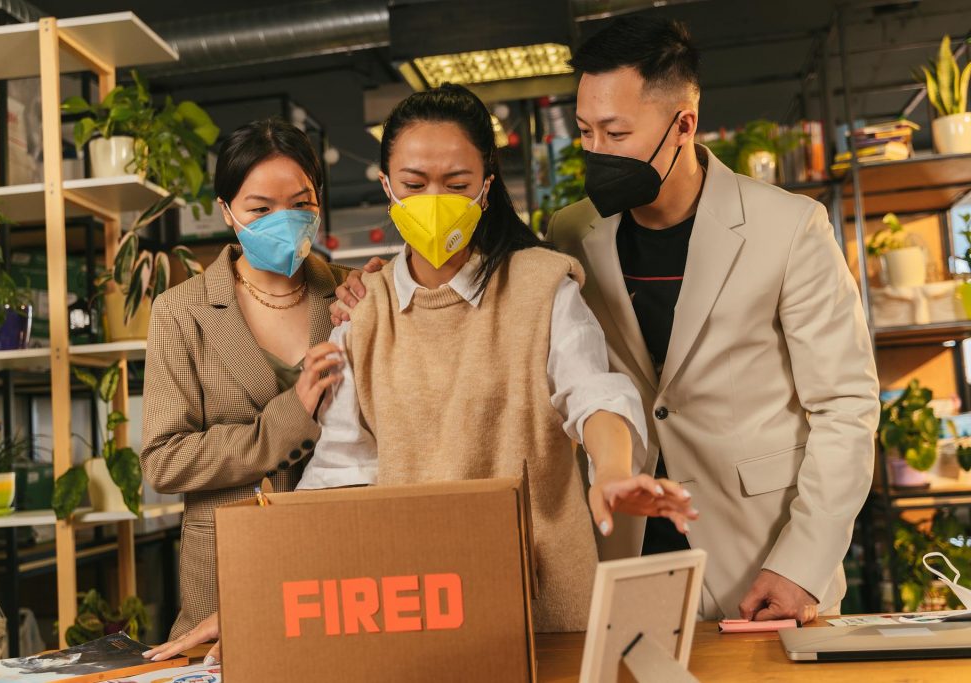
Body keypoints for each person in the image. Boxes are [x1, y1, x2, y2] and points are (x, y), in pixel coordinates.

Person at [334, 17, 879, 624]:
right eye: (586, 130)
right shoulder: (572, 233)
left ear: (684, 125)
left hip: (761, 548)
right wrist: (368, 293)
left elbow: (845, 408)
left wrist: (800, 564)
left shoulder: (789, 228)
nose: (596, 150)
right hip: (622, 546)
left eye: (615, 132)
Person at [142, 84, 697, 663]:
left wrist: (610, 467)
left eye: (456, 185)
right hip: (416, 609)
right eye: (413, 184)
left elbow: (594, 391)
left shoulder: (540, 285)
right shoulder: (364, 311)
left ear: (486, 186)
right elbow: (336, 475)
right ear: (386, 187)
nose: (435, 200)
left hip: (544, 606)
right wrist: (263, 597)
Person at [140, 117, 348, 652]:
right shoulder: (182, 311)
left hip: (342, 566)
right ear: (227, 211)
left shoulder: (350, 293)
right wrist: (286, 418)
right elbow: (163, 460)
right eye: (261, 208)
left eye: (301, 203)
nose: (286, 219)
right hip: (229, 573)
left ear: (319, 201)